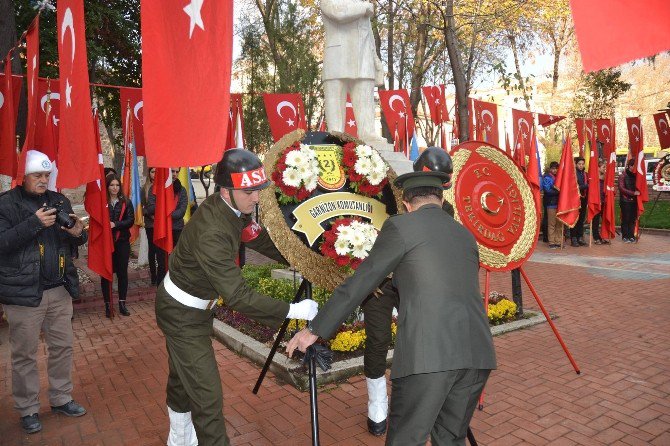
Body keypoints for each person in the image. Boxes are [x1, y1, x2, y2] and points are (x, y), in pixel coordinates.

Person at [288, 170, 497, 446]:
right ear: (440, 197)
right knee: (450, 439)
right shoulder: (464, 235)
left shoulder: (401, 227)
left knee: (405, 440)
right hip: (477, 355)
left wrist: (315, 329)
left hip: (428, 358)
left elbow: (362, 281)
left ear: (407, 204)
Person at [155, 149, 319, 445]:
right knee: (207, 398)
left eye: (258, 189)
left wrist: (297, 257)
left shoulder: (232, 210)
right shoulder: (212, 232)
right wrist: (293, 310)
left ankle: (178, 439)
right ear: (225, 190)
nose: (256, 197)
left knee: (183, 380)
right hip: (181, 314)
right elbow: (239, 296)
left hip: (192, 308)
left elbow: (257, 237)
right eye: (248, 191)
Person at [361, 147, 454, 436]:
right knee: (378, 339)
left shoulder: (443, 209)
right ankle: (377, 401)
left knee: (424, 337)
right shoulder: (384, 190)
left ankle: (425, 395)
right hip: (382, 285)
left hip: (415, 282)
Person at [0, 150, 88, 434]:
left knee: (62, 348)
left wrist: (78, 232)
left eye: (47, 176)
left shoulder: (58, 199)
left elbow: (74, 236)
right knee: (24, 354)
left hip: (58, 290)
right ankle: (27, 409)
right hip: (24, 294)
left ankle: (61, 398)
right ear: (23, 176)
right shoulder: (6, 205)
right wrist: (34, 223)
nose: (43, 180)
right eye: (37, 175)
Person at [321, 0, 385, 141]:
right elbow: (338, 13)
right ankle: (336, 137)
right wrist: (365, 7)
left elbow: (369, 35)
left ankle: (368, 134)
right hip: (337, 59)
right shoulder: (329, 1)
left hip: (363, 59)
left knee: (366, 102)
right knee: (335, 108)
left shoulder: (362, 6)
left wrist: (376, 62)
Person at [101, 174, 134, 317]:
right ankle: (108, 305)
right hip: (106, 242)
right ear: (107, 187)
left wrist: (115, 224)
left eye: (117, 185)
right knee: (106, 273)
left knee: (122, 273)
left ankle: (122, 303)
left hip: (122, 242)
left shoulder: (126, 201)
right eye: (111, 185)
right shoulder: (102, 202)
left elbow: (130, 220)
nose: (115, 188)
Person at [148, 168, 188, 284]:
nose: (174, 174)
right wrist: (163, 206)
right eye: (172, 171)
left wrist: (163, 214)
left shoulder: (182, 190)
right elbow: (150, 207)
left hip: (176, 230)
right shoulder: (155, 189)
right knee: (162, 263)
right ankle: (161, 288)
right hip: (162, 230)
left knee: (176, 261)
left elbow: (181, 212)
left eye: (176, 172)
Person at [141, 167, 159, 285]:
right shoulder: (145, 188)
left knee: (161, 250)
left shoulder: (164, 186)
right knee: (152, 250)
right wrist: (151, 215)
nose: (154, 174)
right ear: (149, 174)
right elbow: (143, 208)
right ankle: (153, 275)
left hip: (161, 223)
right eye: (152, 172)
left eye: (156, 172)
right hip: (150, 224)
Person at [542, 161, 562, 249]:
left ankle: (558, 241)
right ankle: (552, 242)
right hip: (551, 203)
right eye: (553, 168)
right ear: (550, 169)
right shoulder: (547, 178)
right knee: (552, 224)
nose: (555, 170)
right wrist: (559, 191)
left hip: (560, 204)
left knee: (559, 224)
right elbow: (548, 191)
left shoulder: (560, 177)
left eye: (556, 168)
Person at [618, 158, 639, 243]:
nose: (635, 168)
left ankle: (631, 235)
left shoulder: (636, 175)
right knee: (626, 218)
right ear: (630, 166)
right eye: (633, 166)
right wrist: (633, 193)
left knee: (632, 219)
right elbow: (621, 188)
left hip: (634, 201)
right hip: (625, 200)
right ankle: (625, 236)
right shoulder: (623, 175)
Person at [571, 157, 588, 247]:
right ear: (576, 164)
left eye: (582, 164)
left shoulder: (585, 174)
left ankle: (580, 237)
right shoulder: (573, 174)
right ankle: (573, 238)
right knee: (575, 218)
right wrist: (585, 186)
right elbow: (574, 187)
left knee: (581, 219)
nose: (581, 166)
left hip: (584, 199)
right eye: (579, 164)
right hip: (575, 199)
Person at [592, 159, 610, 245]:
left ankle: (603, 236)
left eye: (605, 167)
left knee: (604, 219)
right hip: (596, 201)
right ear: (598, 168)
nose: (604, 169)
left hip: (604, 201)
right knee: (595, 220)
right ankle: (596, 237)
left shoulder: (605, 177)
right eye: (603, 167)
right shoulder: (594, 178)